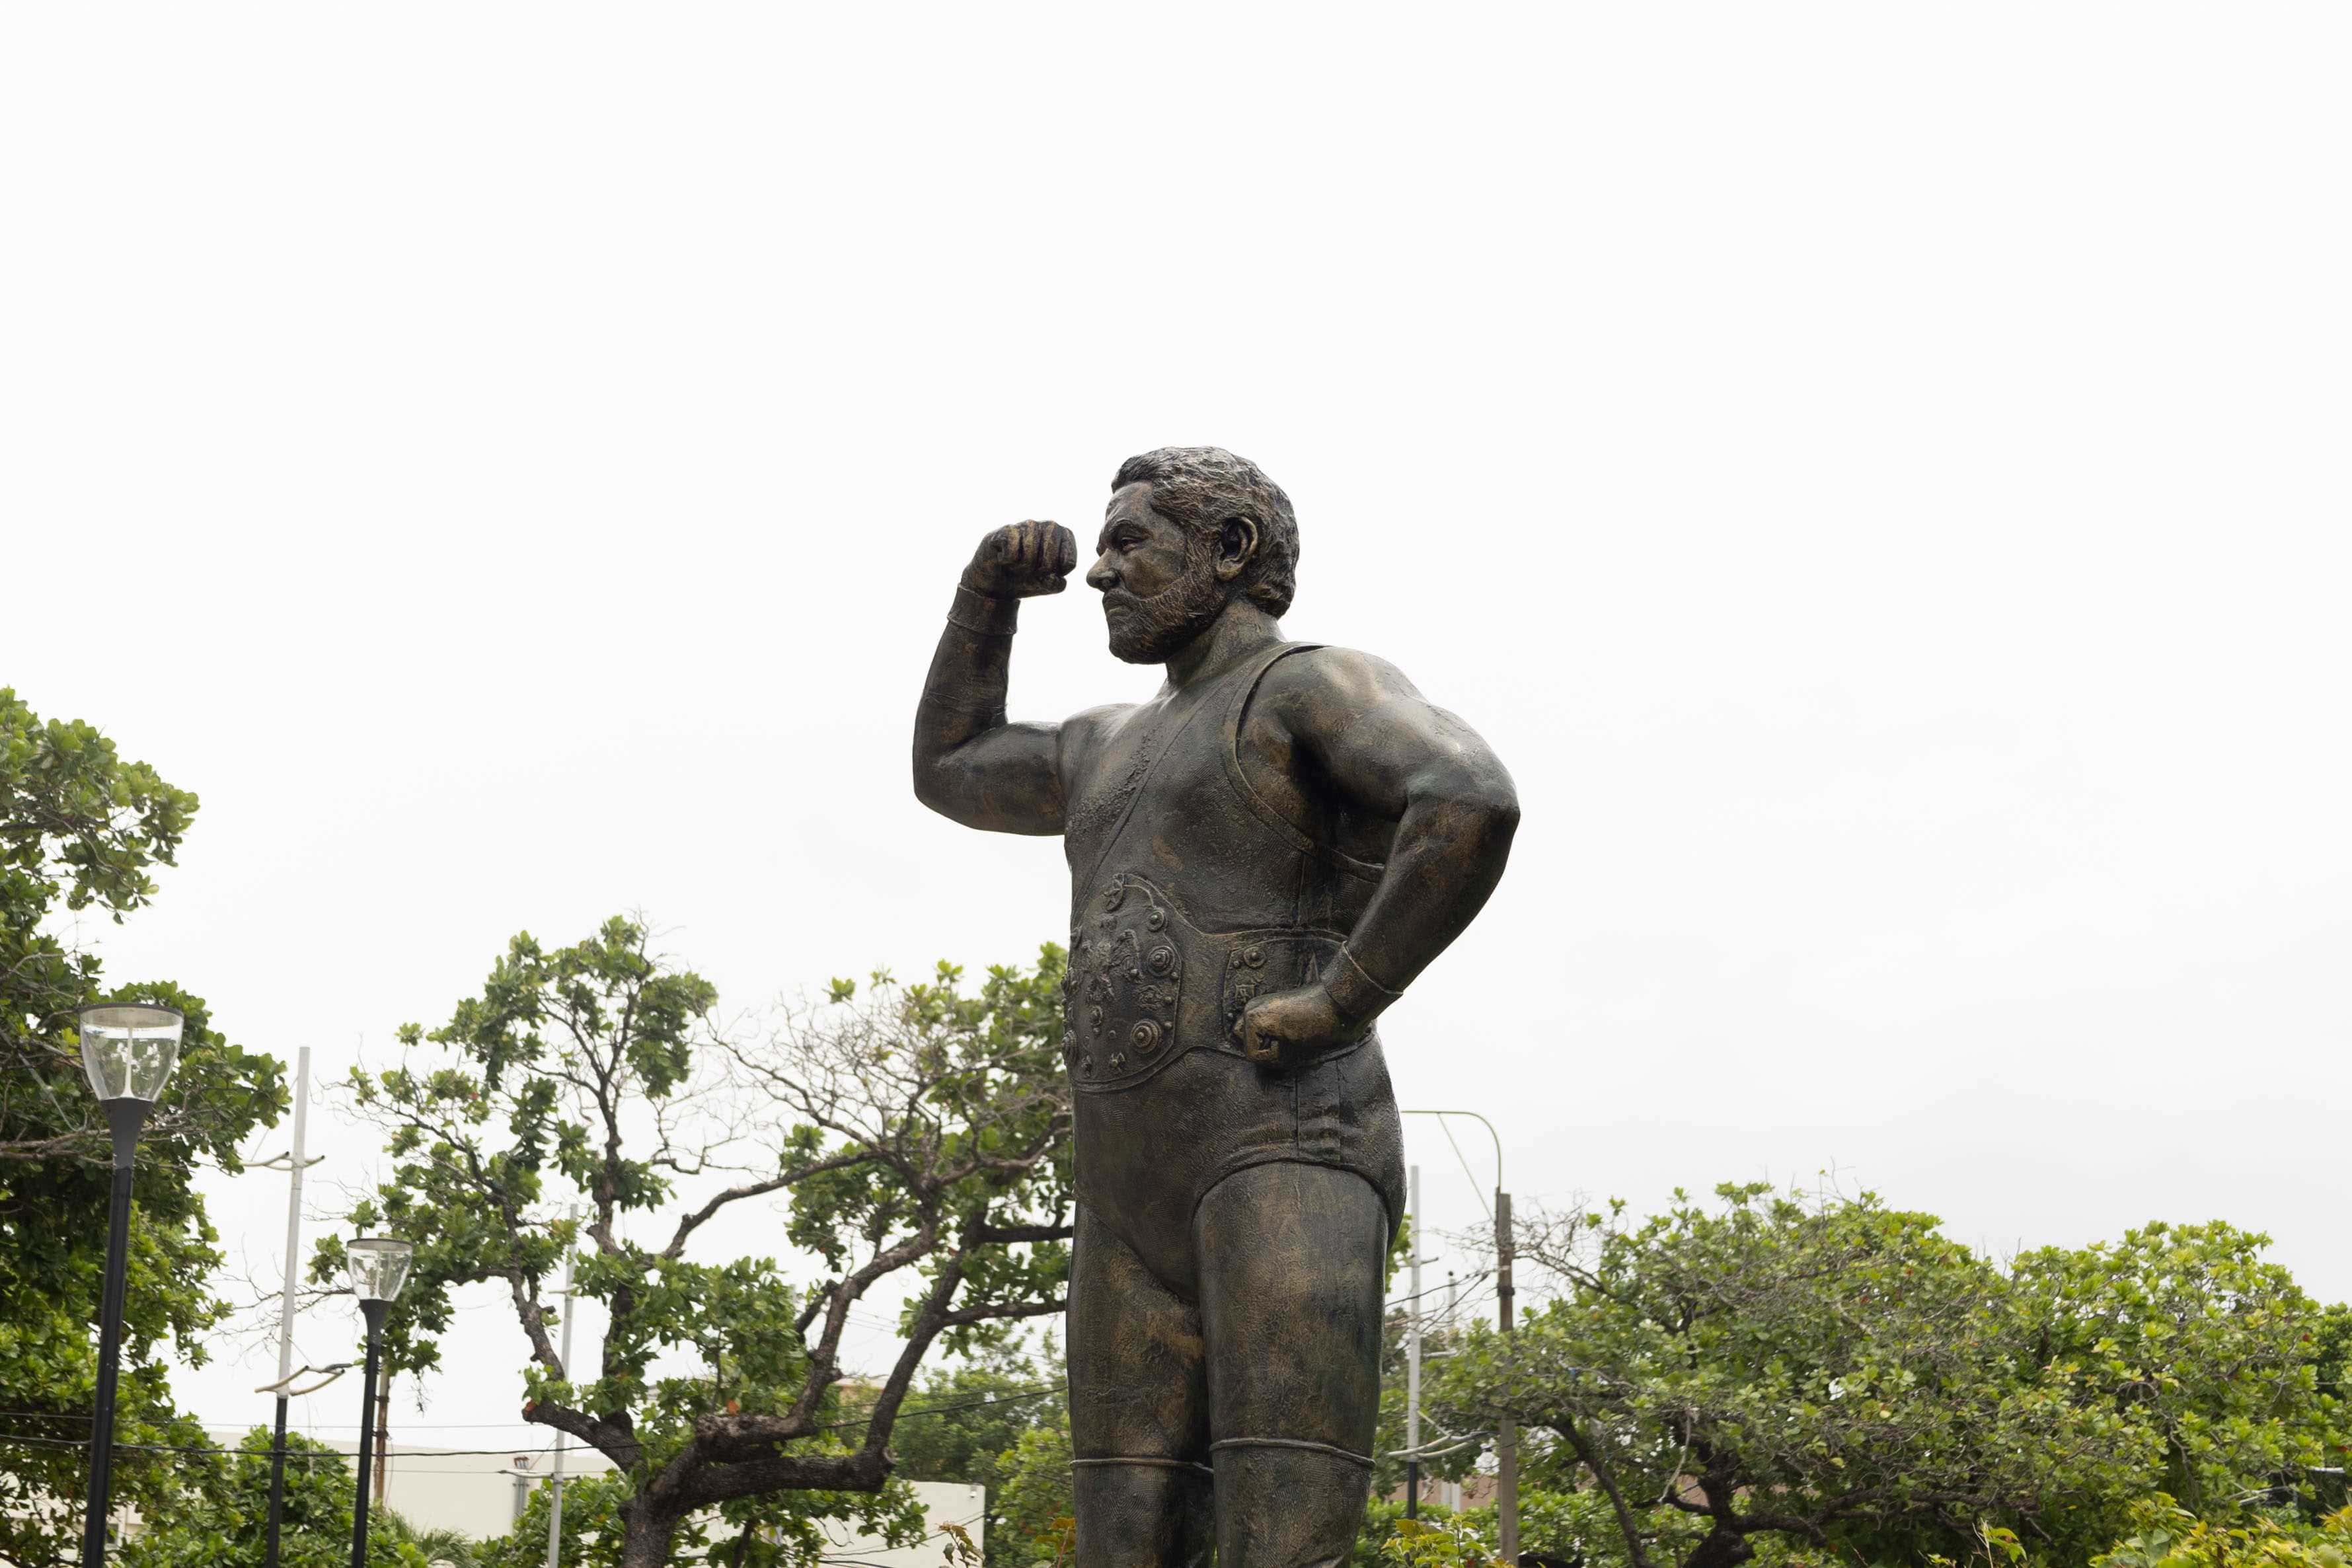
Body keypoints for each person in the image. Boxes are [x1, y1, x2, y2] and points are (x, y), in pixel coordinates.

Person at [913, 447, 1518, 1568]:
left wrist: (1344, 995)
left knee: (1278, 1535)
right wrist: (982, 599)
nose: (1100, 573)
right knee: (1121, 1537)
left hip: (1281, 1153)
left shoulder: (1308, 687)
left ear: (1231, 551)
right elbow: (949, 767)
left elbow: (1467, 797)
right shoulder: (1103, 741)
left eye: (1130, 543)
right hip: (1124, 1189)